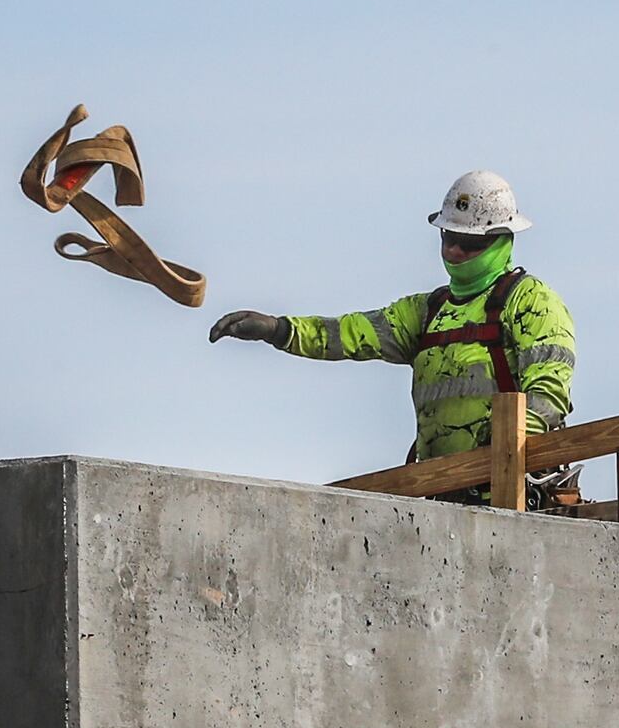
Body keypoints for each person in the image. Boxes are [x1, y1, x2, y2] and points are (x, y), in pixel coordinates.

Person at [209, 171, 577, 500]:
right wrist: (279, 330)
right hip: (440, 492)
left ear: (501, 239)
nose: (454, 250)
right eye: (449, 237)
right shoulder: (426, 312)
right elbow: (351, 333)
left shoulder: (530, 302)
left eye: (468, 242)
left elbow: (547, 395)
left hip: (504, 492)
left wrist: (495, 457)